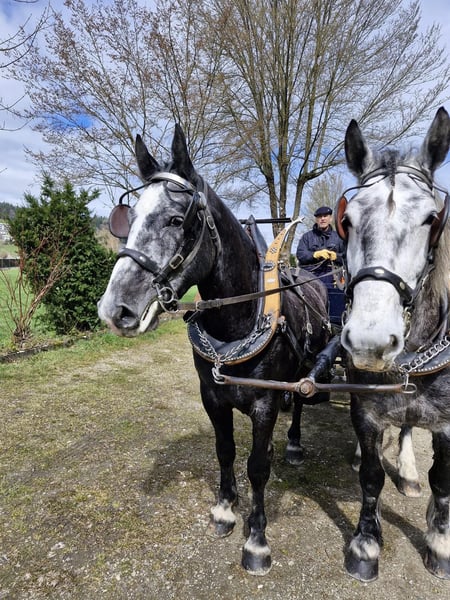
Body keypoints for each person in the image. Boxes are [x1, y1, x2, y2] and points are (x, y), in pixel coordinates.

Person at [296, 205, 346, 325]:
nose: (322, 219)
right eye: (319, 217)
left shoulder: (338, 237)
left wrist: (336, 257)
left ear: (330, 218)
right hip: (309, 276)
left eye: (325, 216)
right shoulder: (307, 237)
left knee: (335, 307)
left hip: (332, 276)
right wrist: (315, 254)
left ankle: (335, 326)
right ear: (316, 219)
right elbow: (300, 254)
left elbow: (347, 257)